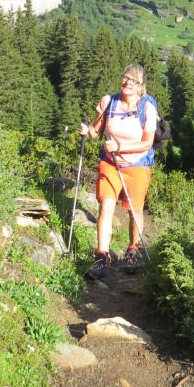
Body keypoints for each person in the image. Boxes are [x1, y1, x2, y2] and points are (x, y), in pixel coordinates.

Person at [78, 63, 157, 279]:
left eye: (133, 80)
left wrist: (120, 147)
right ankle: (102, 257)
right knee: (106, 205)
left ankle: (133, 250)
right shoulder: (109, 102)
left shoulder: (147, 108)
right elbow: (96, 131)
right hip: (110, 162)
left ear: (141, 86)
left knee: (135, 209)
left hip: (137, 164)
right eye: (125, 78)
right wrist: (87, 132)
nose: (128, 83)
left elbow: (147, 143)